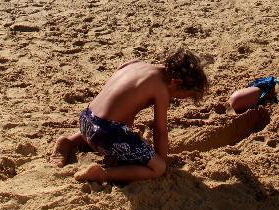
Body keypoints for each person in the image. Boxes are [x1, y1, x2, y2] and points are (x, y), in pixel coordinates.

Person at [50, 49, 208, 183]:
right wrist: (161, 160)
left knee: (117, 125)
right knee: (157, 168)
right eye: (181, 95)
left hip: (86, 121)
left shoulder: (135, 64)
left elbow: (116, 101)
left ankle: (69, 141)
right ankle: (102, 174)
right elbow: (160, 130)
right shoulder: (161, 88)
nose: (175, 99)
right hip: (103, 136)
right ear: (175, 82)